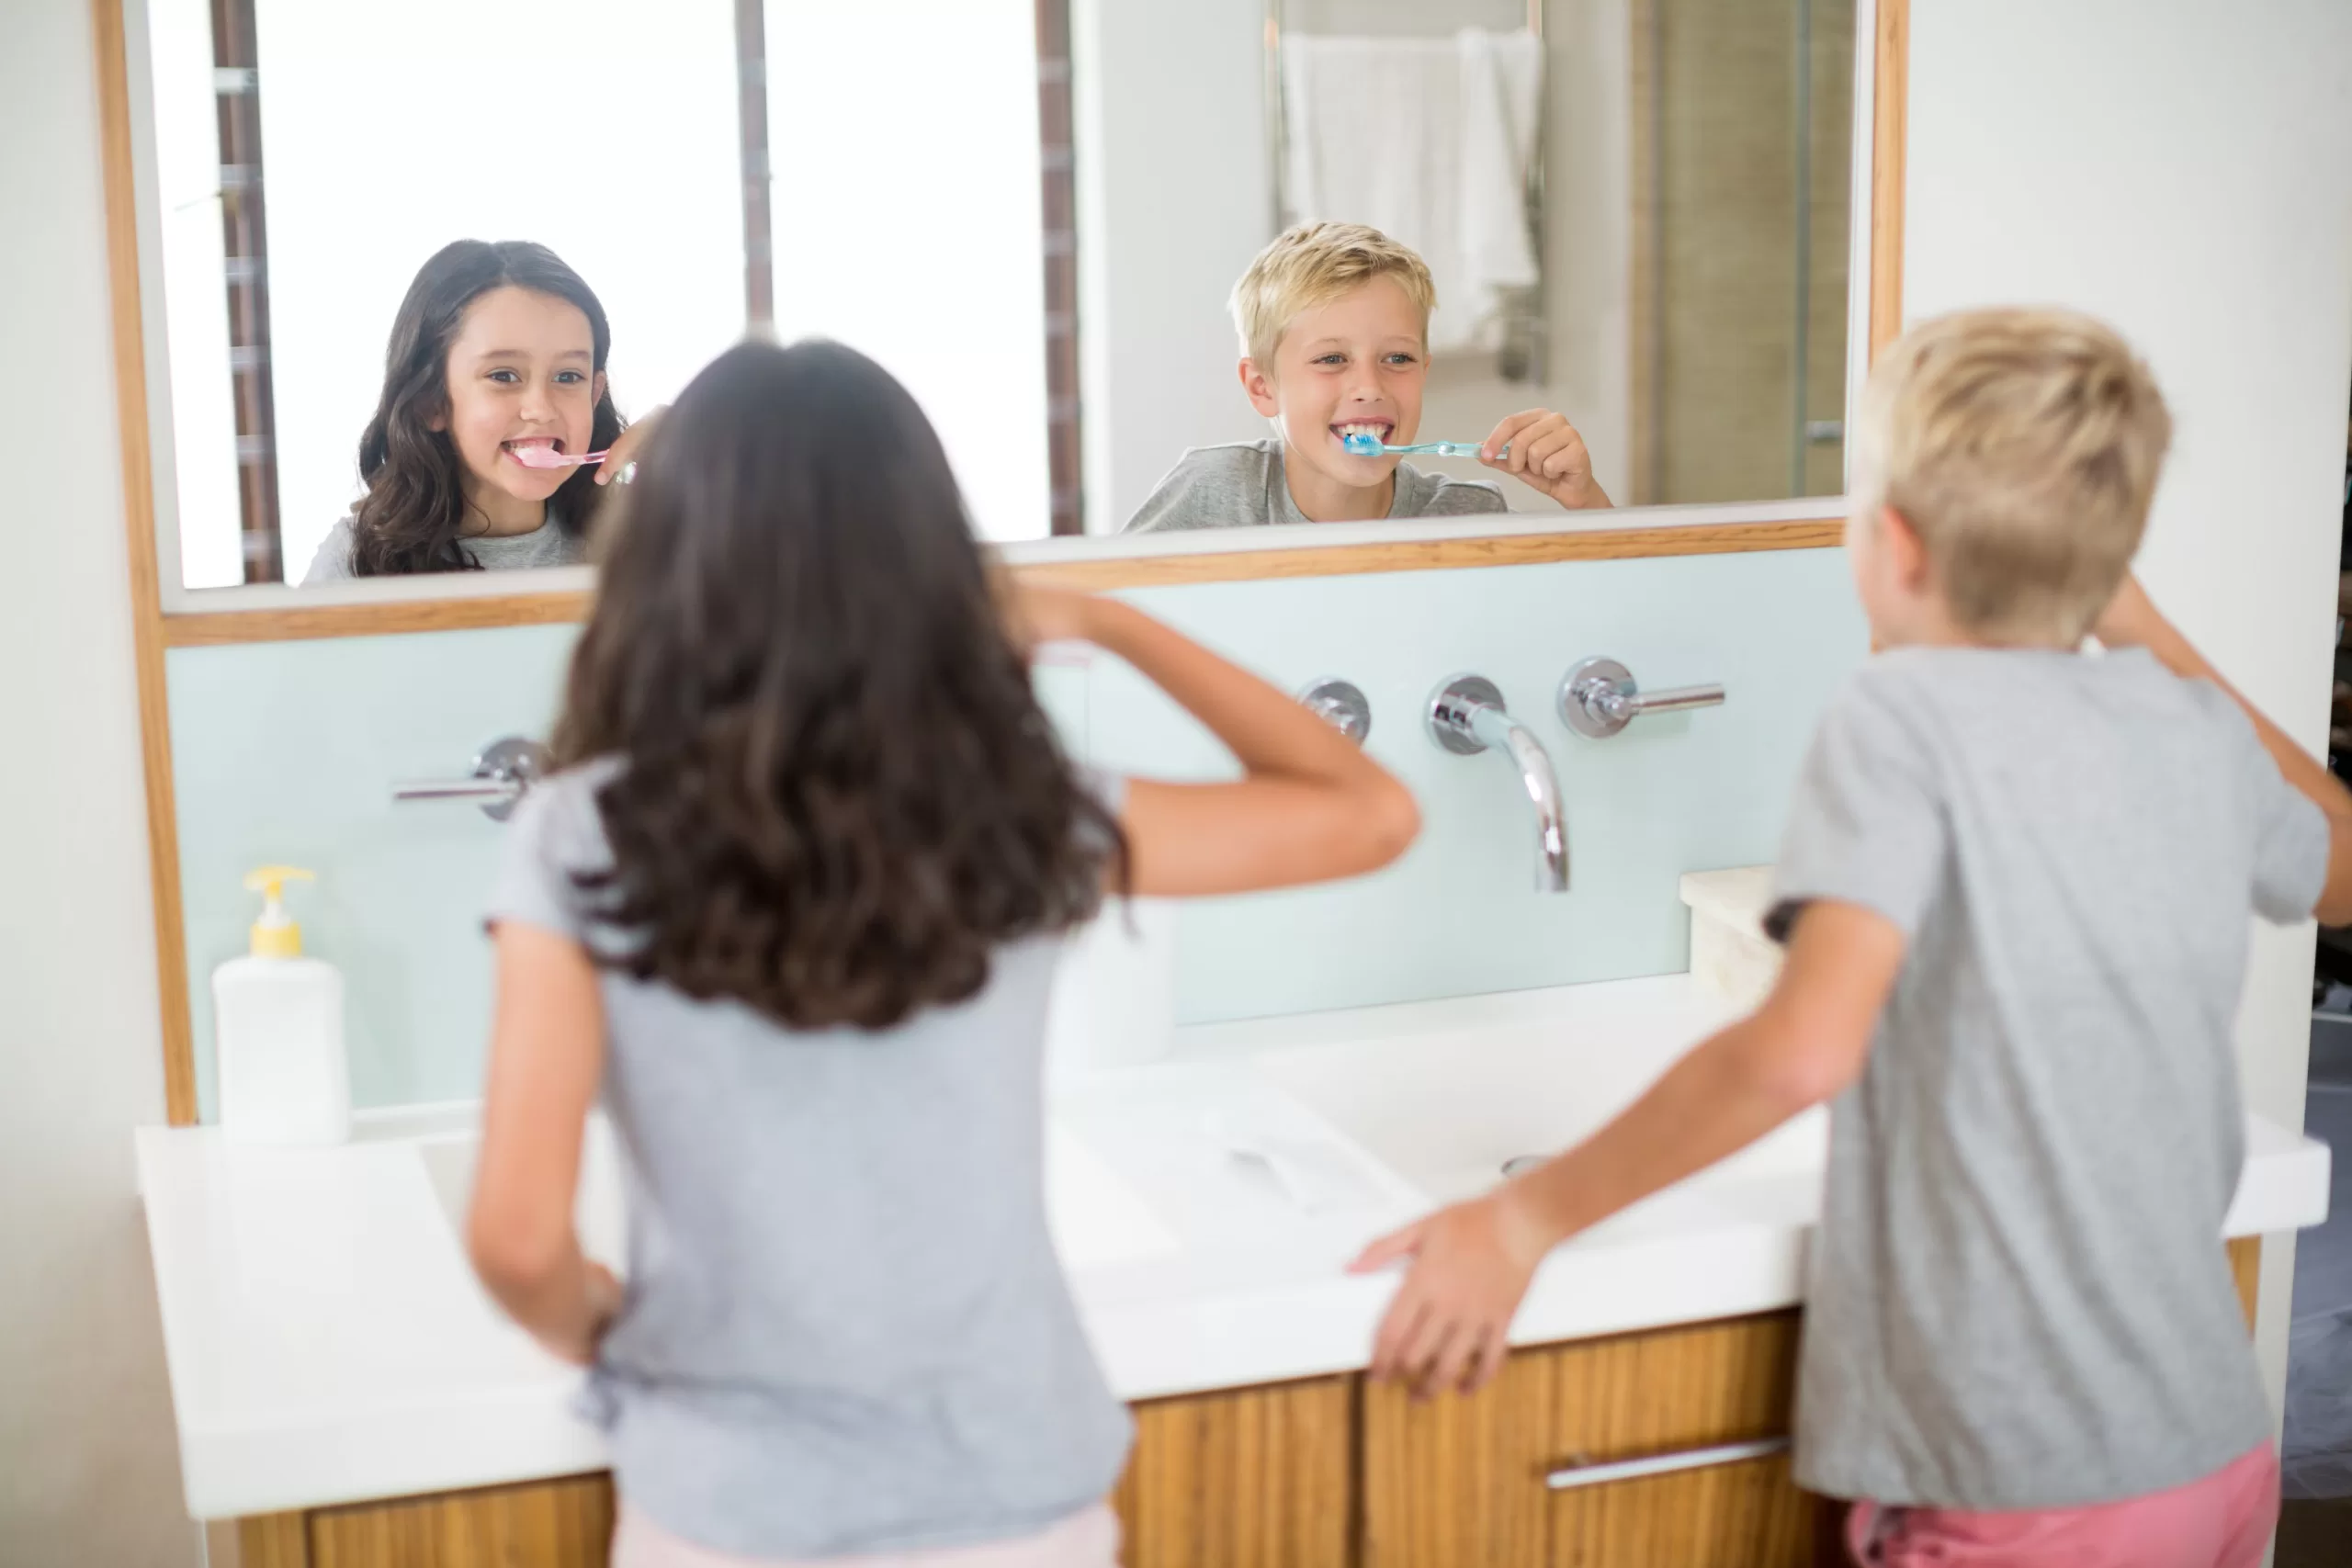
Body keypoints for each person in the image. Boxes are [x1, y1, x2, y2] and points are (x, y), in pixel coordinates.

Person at [1351, 307, 2352, 1568]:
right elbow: (2341, 869)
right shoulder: (2192, 727)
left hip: (2015, 1478)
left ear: (1888, 541)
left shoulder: (1903, 719)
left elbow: (1799, 1050)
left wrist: (1521, 1220)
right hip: (2212, 1449)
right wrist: (2141, 627)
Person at [465, 338, 1419, 1566]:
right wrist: (1106, 620)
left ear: (663, 563)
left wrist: (608, 1325)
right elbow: (1370, 812)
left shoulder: (579, 831)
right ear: (923, 557)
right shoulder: (1016, 807)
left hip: (726, 1511)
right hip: (1016, 1504)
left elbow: (516, 1239)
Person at [1122, 221, 1613, 534]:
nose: (1370, 387)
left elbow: (1611, 626)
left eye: (1397, 359)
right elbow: (1102, 625)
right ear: (1262, 386)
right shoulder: (1215, 496)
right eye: (1332, 359)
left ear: (1424, 369)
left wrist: (1585, 500)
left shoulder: (1464, 518)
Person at [301, 239, 624, 581]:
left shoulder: (635, 547)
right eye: (503, 376)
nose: (541, 409)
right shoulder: (354, 563)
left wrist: (682, 460)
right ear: (431, 400)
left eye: (568, 376)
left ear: (593, 394)